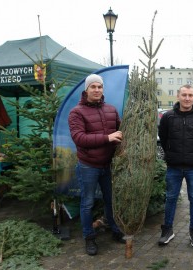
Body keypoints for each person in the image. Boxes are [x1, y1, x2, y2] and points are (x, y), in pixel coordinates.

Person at [68, 74, 125, 256]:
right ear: (86, 90)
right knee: (87, 203)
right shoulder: (76, 112)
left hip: (107, 165)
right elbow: (79, 138)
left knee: (110, 201)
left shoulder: (111, 109)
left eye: (99, 87)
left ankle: (115, 231)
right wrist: (107, 138)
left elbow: (120, 130)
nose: (97, 90)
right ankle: (89, 237)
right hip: (88, 166)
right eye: (93, 87)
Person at [158, 84, 193, 248]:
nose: (187, 98)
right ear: (178, 96)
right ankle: (167, 230)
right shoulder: (168, 117)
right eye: (184, 95)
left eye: (190, 95)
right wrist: (170, 153)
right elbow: (163, 136)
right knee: (170, 198)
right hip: (174, 166)